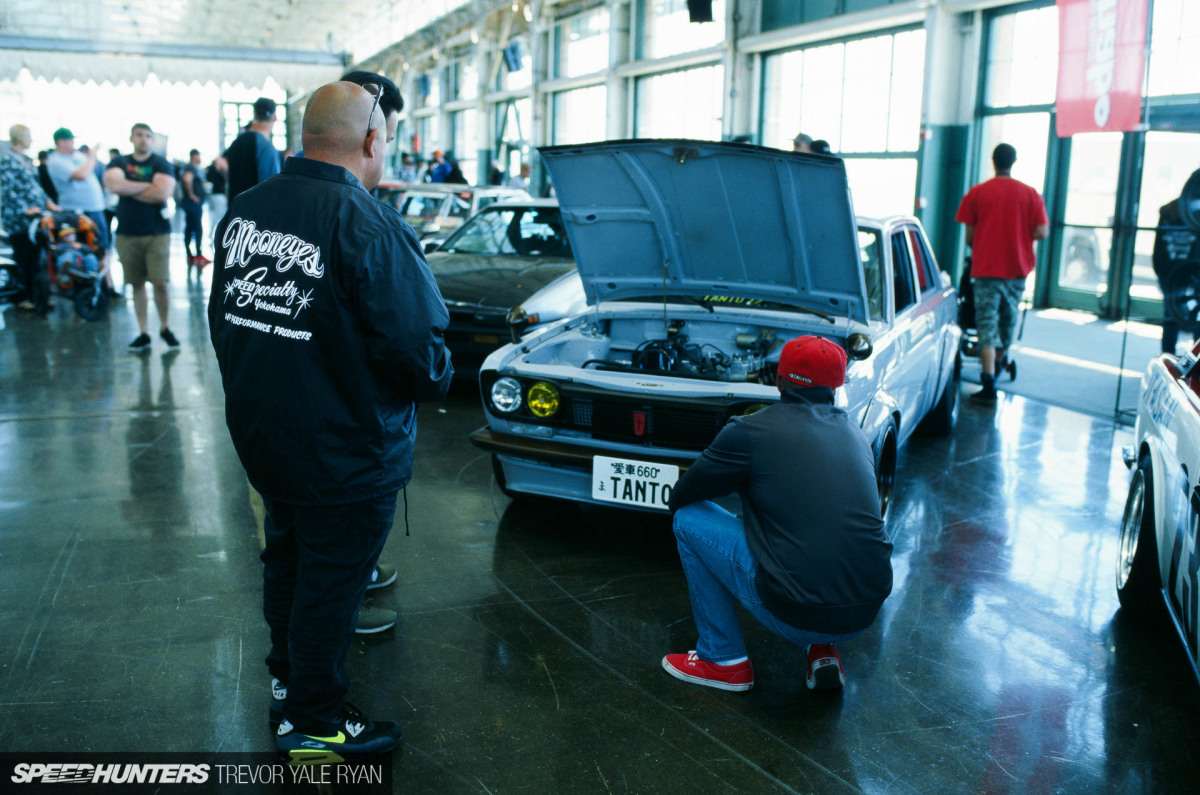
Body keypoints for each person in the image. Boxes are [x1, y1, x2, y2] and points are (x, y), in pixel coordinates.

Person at [208, 81, 453, 761]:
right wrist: (436, 379)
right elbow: (417, 352)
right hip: (347, 450)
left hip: (266, 438)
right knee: (332, 582)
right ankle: (315, 724)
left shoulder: (244, 213)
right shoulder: (369, 224)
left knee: (286, 559)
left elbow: (223, 321)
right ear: (374, 140)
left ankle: (290, 686)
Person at [661, 335, 892, 693]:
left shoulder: (749, 431)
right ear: (837, 385)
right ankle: (821, 651)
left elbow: (684, 495)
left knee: (689, 519)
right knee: (815, 530)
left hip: (796, 612)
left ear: (778, 380)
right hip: (864, 612)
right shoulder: (856, 435)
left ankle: (723, 660)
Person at [955, 143, 1048, 404]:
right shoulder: (1030, 194)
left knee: (985, 323)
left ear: (993, 161)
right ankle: (996, 367)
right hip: (1016, 271)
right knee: (1007, 322)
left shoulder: (977, 193)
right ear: (1014, 161)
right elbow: (1042, 231)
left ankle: (988, 382)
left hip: (986, 270)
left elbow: (969, 238)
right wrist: (1019, 234)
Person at [105, 123, 179, 352]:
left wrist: (129, 189)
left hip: (157, 233)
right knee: (136, 284)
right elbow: (113, 184)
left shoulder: (161, 163)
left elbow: (163, 192)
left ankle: (165, 327)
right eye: (139, 135)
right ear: (131, 138)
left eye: (148, 136)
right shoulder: (118, 162)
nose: (144, 139)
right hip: (127, 232)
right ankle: (143, 332)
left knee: (160, 282)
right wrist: (148, 185)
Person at [46, 128, 116, 295]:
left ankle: (107, 284)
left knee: (102, 246)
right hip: (76, 211)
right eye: (71, 140)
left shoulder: (77, 156)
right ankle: (82, 286)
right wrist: (92, 156)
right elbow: (81, 174)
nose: (74, 144)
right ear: (61, 142)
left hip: (96, 208)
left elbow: (94, 168)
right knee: (79, 248)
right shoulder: (55, 161)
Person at [0, 124, 58, 313]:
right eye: (29, 136)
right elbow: (7, 189)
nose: (31, 140)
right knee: (23, 257)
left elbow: (36, 187)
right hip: (19, 220)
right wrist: (25, 209)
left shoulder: (27, 160)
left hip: (36, 219)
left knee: (36, 258)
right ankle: (22, 297)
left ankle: (37, 295)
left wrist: (48, 203)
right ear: (21, 137)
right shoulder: (8, 160)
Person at [1152, 173, 1200, 354]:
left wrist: (1162, 273)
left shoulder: (1168, 210)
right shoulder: (1190, 214)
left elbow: (1158, 247)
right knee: (1196, 321)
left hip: (1171, 272)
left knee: (1171, 318)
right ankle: (1194, 365)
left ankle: (1167, 358)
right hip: (1188, 274)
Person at [224, 97, 280, 202]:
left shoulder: (236, 142)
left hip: (237, 213)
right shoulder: (265, 147)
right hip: (257, 213)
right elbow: (270, 188)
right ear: (274, 117)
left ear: (254, 114)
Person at [180, 148, 209, 269]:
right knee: (197, 227)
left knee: (190, 226)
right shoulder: (191, 167)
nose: (200, 158)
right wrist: (192, 194)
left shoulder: (190, 167)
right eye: (198, 155)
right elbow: (187, 179)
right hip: (192, 203)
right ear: (194, 156)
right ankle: (198, 254)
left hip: (190, 203)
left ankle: (190, 254)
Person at [205, 156, 228, 227]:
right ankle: (214, 230)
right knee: (219, 213)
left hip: (214, 194)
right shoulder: (218, 169)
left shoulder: (210, 169)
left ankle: (212, 230)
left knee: (216, 213)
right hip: (219, 194)